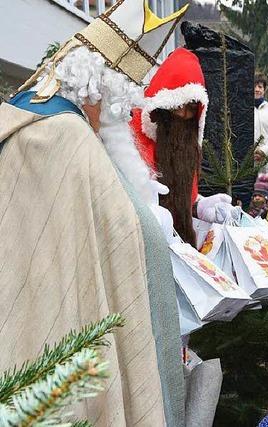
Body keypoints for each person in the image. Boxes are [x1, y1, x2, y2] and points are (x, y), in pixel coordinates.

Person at [0, 1, 190, 424]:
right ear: (95, 89)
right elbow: (120, 234)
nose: (113, 119)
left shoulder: (25, 123)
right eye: (113, 104)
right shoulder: (68, 137)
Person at [130, 46, 223, 247]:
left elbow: (186, 197)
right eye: (178, 106)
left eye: (190, 109)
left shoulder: (187, 149)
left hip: (179, 246)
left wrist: (200, 206)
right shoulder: (131, 135)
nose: (182, 115)